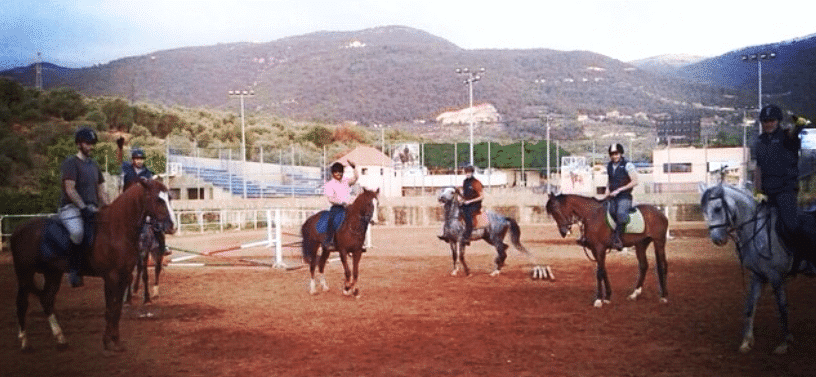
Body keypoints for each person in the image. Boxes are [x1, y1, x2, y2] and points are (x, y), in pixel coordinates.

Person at [752, 104, 816, 263]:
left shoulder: (787, 137)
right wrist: (757, 192)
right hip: (767, 192)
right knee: (753, 225)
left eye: (772, 120)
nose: (768, 124)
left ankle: (806, 259)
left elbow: (798, 128)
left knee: (791, 225)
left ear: (778, 121)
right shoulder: (759, 142)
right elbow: (758, 169)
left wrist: (798, 122)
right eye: (765, 121)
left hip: (785, 191)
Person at [59, 127, 110, 287]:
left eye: (92, 143)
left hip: (92, 208)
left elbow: (101, 190)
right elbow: (70, 189)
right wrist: (82, 207)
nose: (91, 147)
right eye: (87, 143)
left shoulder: (94, 164)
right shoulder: (70, 162)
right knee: (77, 232)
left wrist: (110, 207)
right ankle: (74, 270)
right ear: (79, 144)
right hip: (71, 209)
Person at [605, 143, 638, 250]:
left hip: (624, 196)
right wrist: (607, 190)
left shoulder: (628, 165)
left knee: (620, 213)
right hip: (612, 196)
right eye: (612, 154)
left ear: (621, 153)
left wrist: (620, 190)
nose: (614, 156)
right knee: (603, 212)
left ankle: (618, 240)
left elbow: (635, 181)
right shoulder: (609, 165)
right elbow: (610, 180)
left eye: (616, 154)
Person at [323, 160, 358, 249]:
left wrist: (354, 168)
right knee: (334, 221)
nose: (339, 174)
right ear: (332, 173)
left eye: (340, 172)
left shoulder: (346, 181)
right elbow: (331, 199)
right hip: (337, 207)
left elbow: (355, 178)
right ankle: (330, 241)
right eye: (336, 172)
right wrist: (341, 203)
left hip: (348, 207)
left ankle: (359, 241)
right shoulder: (329, 184)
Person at [460, 165, 484, 246]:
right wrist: (461, 200)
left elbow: (481, 196)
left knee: (467, 214)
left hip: (475, 205)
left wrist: (470, 201)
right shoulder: (465, 182)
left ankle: (467, 236)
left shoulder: (476, 183)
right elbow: (464, 193)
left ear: (472, 173)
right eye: (466, 172)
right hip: (466, 203)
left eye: (469, 172)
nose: (467, 174)